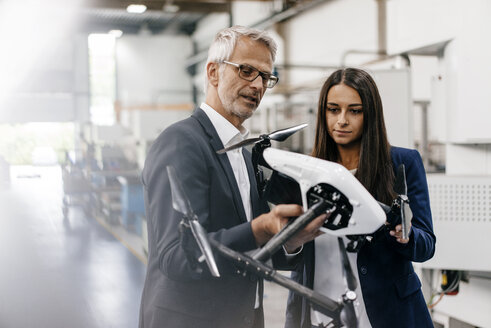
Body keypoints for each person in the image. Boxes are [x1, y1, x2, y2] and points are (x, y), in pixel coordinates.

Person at [139, 26, 326, 328]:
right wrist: (259, 228)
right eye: (247, 71)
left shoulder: (244, 152)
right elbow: (176, 256)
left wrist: (292, 241)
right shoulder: (182, 143)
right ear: (213, 73)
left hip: (245, 317)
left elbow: (252, 252)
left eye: (265, 77)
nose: (258, 85)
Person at [284, 68, 436, 328]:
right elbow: (291, 252)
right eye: (333, 109)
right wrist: (293, 240)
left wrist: (405, 235)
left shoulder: (402, 162)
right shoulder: (304, 170)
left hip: (386, 312)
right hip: (318, 308)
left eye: (354, 111)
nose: (342, 120)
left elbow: (427, 244)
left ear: (370, 115)